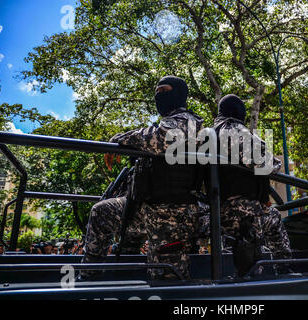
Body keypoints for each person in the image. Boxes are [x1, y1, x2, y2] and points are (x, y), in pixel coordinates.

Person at [80, 76, 208, 281]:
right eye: (156, 92)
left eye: (164, 91)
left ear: (179, 94)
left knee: (165, 277)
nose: (159, 96)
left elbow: (163, 138)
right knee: (101, 211)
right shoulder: (165, 123)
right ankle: (88, 278)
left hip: (173, 210)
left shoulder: (188, 121)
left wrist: (122, 138)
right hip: (144, 205)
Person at [211, 94, 292, 277]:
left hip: (213, 212)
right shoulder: (234, 130)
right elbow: (268, 163)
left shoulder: (208, 134)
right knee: (274, 216)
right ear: (239, 112)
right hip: (241, 212)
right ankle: (284, 268)